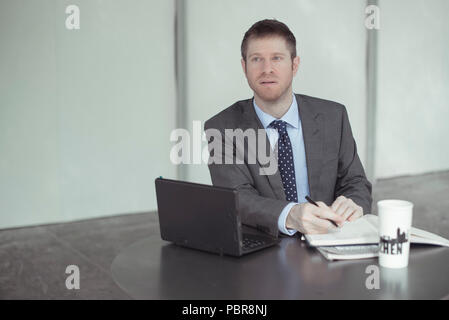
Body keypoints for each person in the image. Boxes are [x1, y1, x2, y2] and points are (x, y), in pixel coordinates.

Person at [204, 19, 372, 237]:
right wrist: (290, 215)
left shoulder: (333, 116)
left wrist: (353, 204)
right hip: (264, 249)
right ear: (244, 67)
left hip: (329, 242)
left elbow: (356, 181)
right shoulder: (221, 128)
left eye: (277, 58)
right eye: (257, 59)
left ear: (294, 65)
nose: (267, 69)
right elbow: (237, 198)